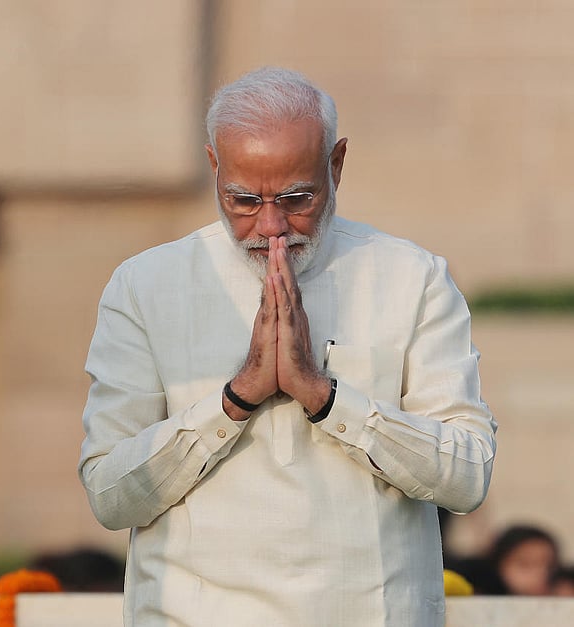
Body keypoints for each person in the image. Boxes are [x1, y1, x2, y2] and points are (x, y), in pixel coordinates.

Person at [78, 67, 497, 626]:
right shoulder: (146, 285)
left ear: (338, 164)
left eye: (297, 197)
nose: (272, 227)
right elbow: (110, 495)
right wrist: (235, 399)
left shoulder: (409, 276)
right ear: (214, 168)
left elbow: (467, 478)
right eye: (244, 199)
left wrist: (325, 398)